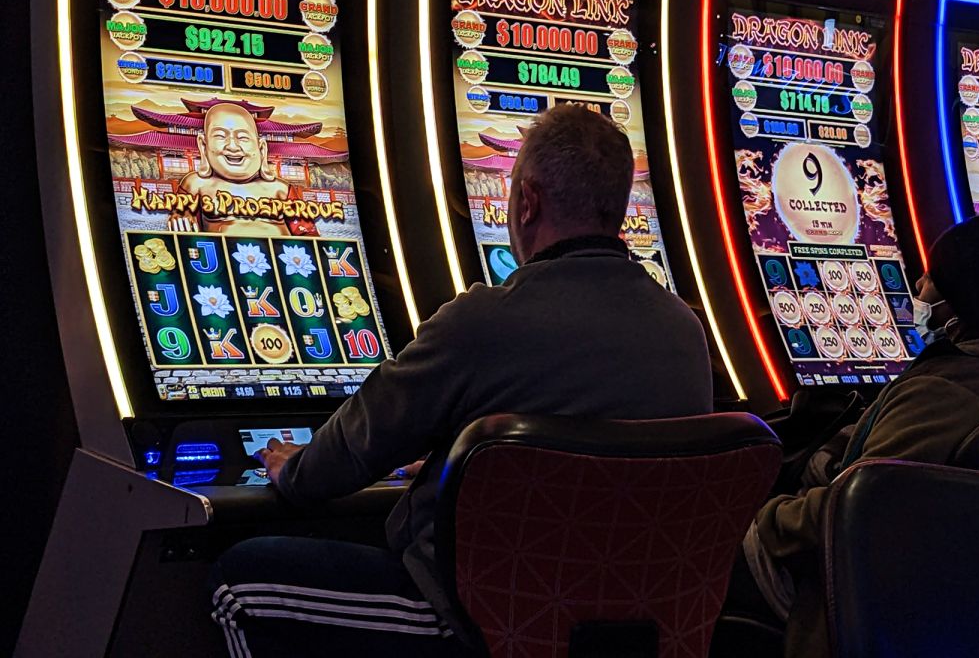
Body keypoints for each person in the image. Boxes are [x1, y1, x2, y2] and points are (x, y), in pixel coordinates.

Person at [210, 104, 714, 656]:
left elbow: (345, 455)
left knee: (240, 583)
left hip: (476, 619)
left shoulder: (485, 321)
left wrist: (293, 468)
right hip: (626, 625)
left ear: (528, 202)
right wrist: (469, 468)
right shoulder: (684, 331)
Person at [727, 199, 979, 657]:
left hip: (864, 600)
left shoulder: (947, 391)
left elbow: (854, 508)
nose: (918, 286)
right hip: (974, 602)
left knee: (700, 552)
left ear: (959, 302)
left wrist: (757, 519)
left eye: (931, 277)